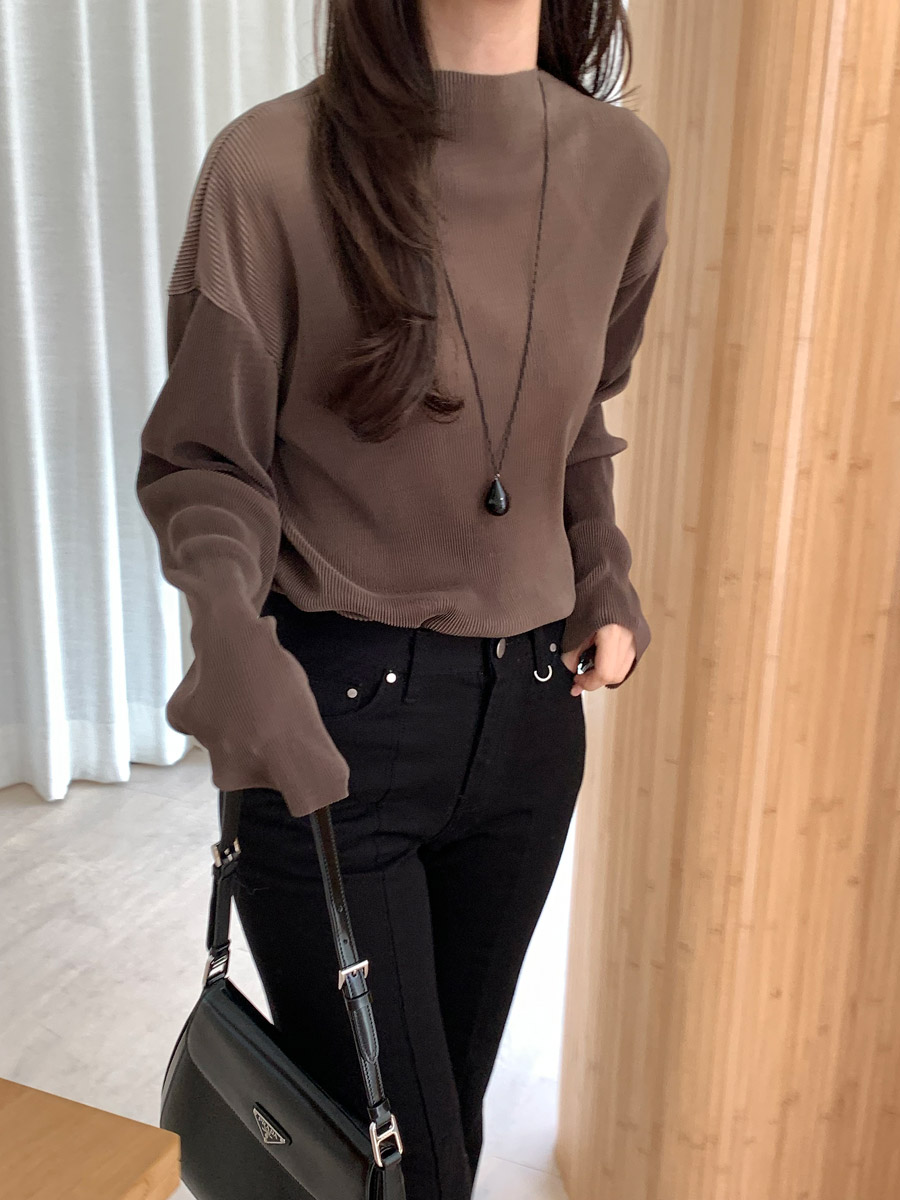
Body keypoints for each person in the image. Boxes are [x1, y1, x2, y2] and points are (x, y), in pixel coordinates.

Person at [136, 0, 669, 1195]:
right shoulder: (271, 165)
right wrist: (235, 654)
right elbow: (204, 464)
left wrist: (602, 570)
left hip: (531, 723)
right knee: (404, 1164)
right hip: (332, 723)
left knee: (435, 1136)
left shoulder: (624, 167)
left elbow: (578, 418)